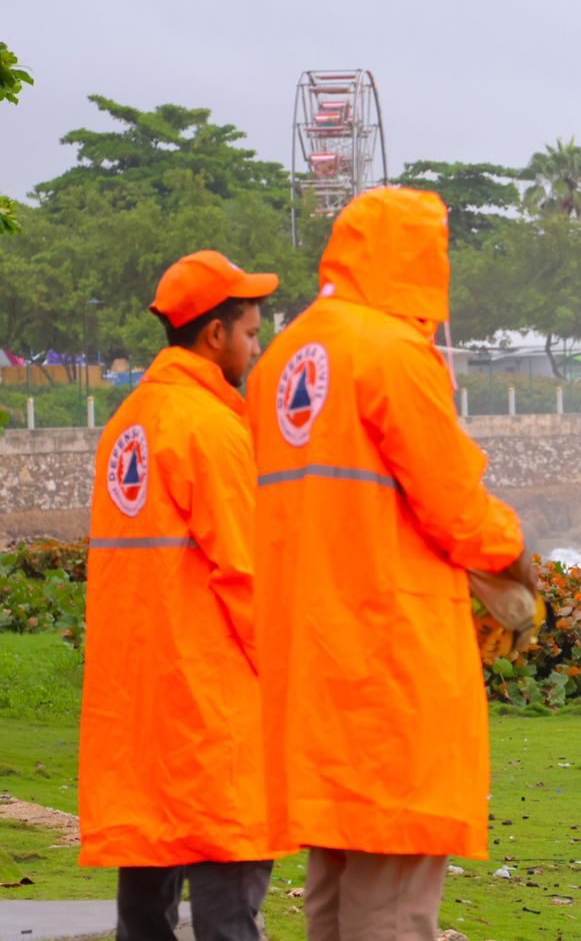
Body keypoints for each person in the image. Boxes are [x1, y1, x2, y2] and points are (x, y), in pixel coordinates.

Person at [246, 186, 530, 941]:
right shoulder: (392, 351)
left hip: (312, 665)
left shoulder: (280, 359)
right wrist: (517, 557)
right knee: (393, 904)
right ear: (419, 256)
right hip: (388, 664)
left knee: (332, 897)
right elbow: (456, 508)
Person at [80, 250, 282, 941]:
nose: (258, 347)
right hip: (211, 716)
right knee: (228, 915)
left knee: (144, 917)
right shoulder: (209, 428)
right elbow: (248, 573)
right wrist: (291, 680)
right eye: (252, 333)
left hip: (139, 717)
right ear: (215, 335)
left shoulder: (127, 425)